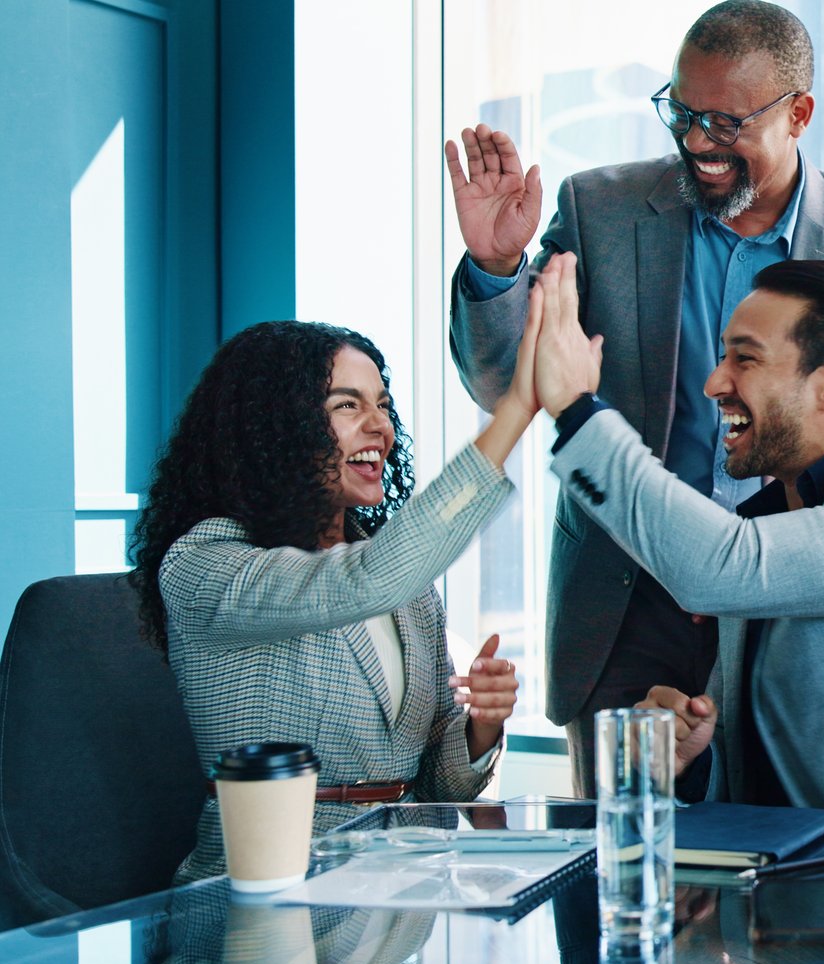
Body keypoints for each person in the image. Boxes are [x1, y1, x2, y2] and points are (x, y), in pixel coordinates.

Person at [443, 0, 824, 796]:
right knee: (616, 873)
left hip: (788, 601)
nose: (697, 142)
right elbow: (506, 384)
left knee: (772, 875)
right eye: (681, 112)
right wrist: (497, 270)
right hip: (623, 600)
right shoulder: (598, 209)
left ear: (798, 114)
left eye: (724, 122)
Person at [523, 253, 824, 827]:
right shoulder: (769, 522)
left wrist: (577, 412)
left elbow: (719, 569)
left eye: (744, 359)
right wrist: (695, 766)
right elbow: (762, 776)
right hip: (781, 882)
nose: (714, 382)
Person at [132, 313, 542, 883]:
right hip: (264, 909)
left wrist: (483, 723)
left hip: (397, 910)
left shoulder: (404, 587)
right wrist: (519, 404)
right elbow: (362, 581)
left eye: (383, 404)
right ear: (274, 427)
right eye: (348, 406)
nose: (381, 427)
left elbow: (439, 787)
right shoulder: (205, 566)